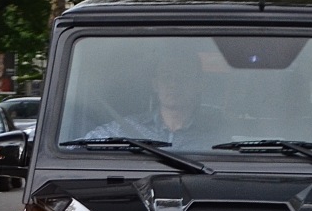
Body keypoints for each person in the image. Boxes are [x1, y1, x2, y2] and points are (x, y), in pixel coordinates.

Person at [85, 52, 215, 147]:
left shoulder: (219, 134)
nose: (173, 84)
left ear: (199, 85)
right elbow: (75, 149)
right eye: (167, 77)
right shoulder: (125, 128)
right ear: (155, 84)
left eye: (183, 76)